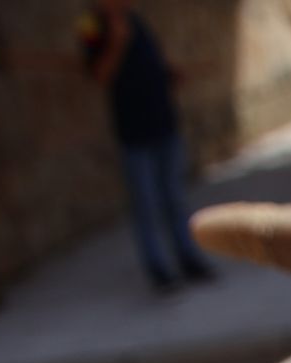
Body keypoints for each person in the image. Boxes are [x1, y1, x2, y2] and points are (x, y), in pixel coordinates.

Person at [78, 1, 213, 293]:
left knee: (175, 197)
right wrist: (117, 41)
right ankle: (159, 269)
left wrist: (168, 74)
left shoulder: (134, 19)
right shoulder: (92, 26)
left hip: (163, 123)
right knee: (146, 204)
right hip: (134, 133)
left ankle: (188, 257)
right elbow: (100, 75)